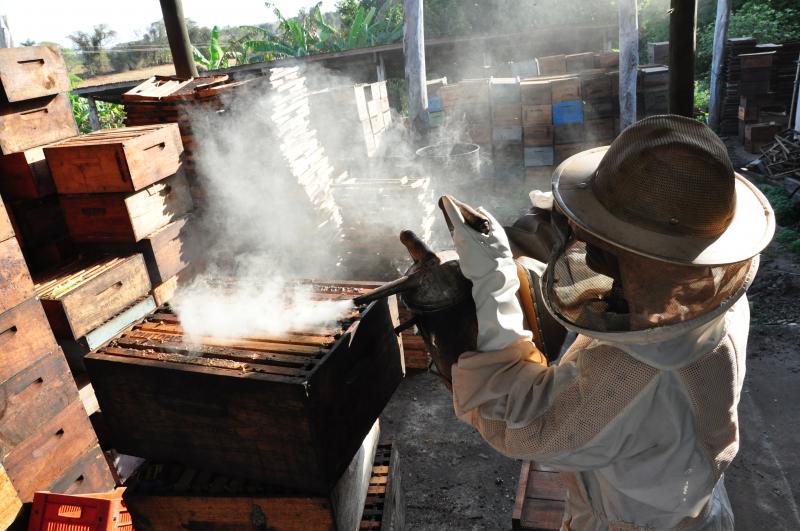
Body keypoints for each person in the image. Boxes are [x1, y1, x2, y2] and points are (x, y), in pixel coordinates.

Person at [442, 115, 775, 530]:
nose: (589, 246)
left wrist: (493, 281)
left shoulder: (632, 372)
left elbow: (523, 423)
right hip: (695, 506)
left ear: (639, 258)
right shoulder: (714, 295)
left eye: (602, 238)